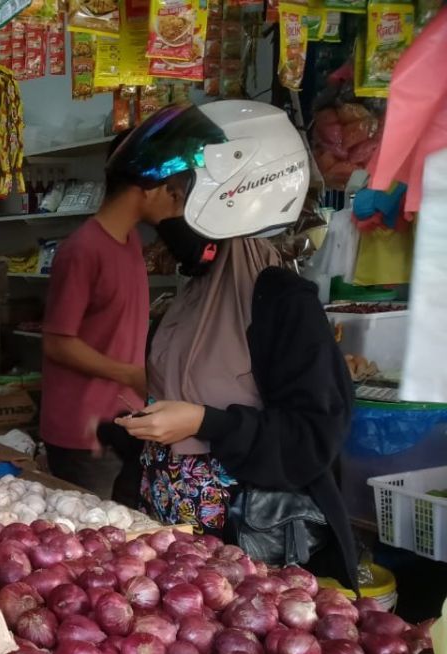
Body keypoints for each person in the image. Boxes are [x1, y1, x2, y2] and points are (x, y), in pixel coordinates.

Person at [114, 101, 359, 590]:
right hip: (175, 554)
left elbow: (312, 438)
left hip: (247, 561)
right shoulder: (195, 292)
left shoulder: (281, 301)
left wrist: (205, 423)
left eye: (179, 195)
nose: (164, 213)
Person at [38, 133, 179, 500]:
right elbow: (57, 342)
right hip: (83, 433)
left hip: (124, 424)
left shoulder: (132, 242)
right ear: (146, 188)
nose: (176, 199)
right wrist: (129, 374)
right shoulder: (83, 250)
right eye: (171, 188)